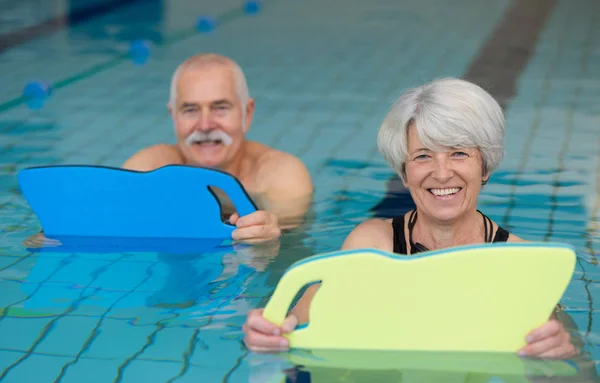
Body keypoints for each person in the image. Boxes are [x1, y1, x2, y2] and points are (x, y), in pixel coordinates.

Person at [242, 77, 577, 359]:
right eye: (422, 156)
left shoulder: (520, 261)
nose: (442, 173)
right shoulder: (373, 245)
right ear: (404, 174)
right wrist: (267, 334)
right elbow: (295, 323)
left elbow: (567, 354)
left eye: (459, 153)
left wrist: (562, 348)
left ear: (484, 166)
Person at [23, 54, 313, 248]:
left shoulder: (280, 176)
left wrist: (270, 236)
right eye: (190, 110)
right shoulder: (146, 167)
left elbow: (287, 245)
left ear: (247, 113)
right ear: (173, 116)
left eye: (220, 108)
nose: (205, 124)